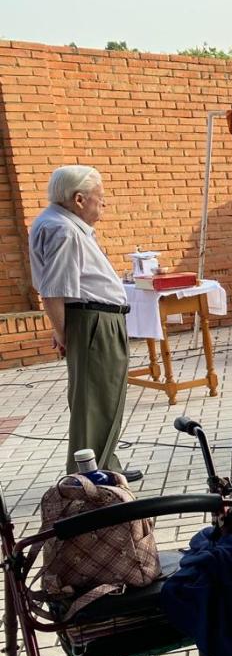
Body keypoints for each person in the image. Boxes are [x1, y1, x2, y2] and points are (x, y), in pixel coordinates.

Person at [28, 166, 139, 478]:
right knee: (94, 401)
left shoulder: (60, 223)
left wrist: (62, 328)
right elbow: (53, 291)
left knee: (103, 397)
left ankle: (104, 466)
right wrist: (65, 334)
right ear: (79, 199)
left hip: (93, 319)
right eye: (99, 199)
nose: (102, 205)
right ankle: (88, 475)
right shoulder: (63, 230)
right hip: (92, 322)